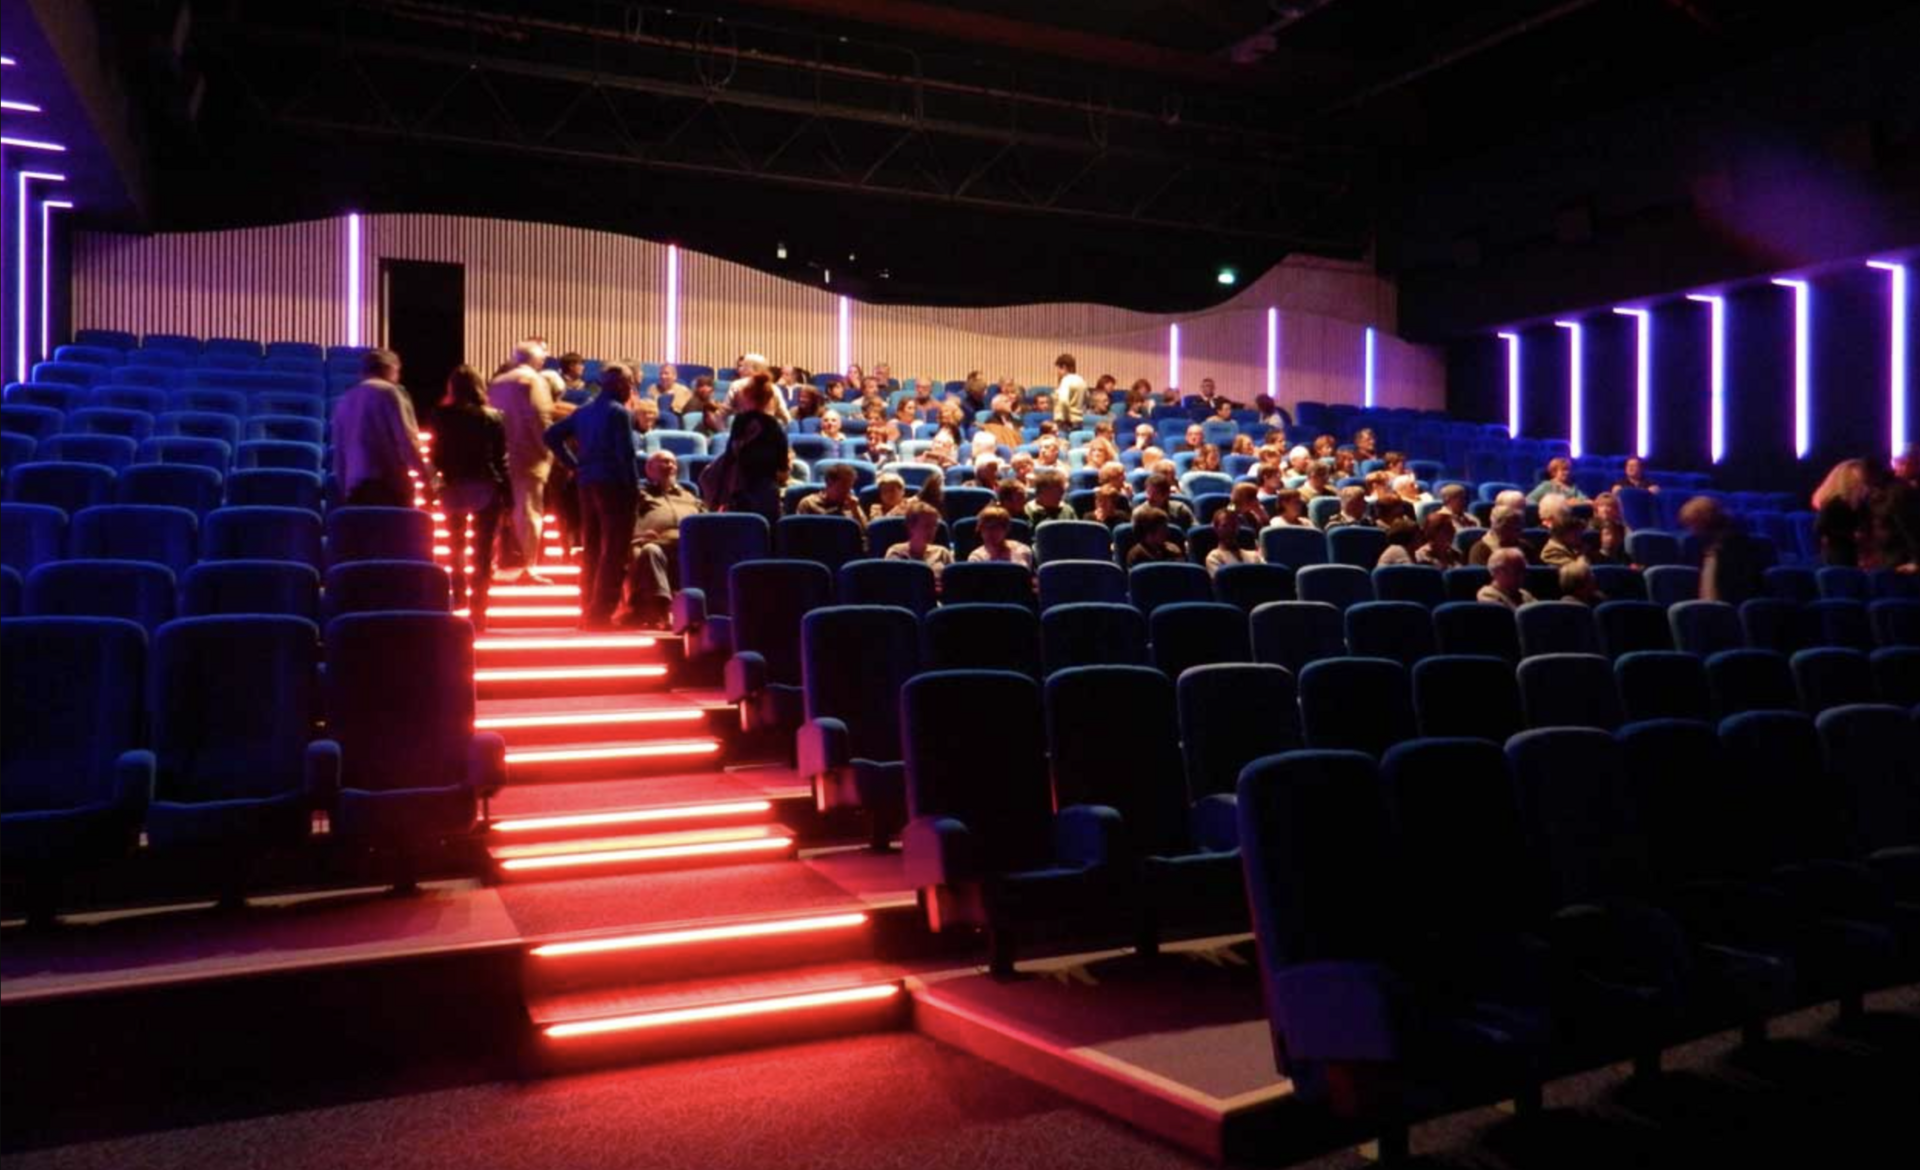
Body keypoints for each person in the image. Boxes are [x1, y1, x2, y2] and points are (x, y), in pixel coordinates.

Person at [544, 363, 643, 628]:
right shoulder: (619, 412)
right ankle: (600, 615)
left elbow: (551, 435)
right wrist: (634, 489)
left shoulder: (583, 411)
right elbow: (626, 456)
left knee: (593, 550)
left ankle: (587, 611)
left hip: (587, 483)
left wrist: (574, 465)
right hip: (616, 486)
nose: (631, 389)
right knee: (614, 551)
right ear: (621, 384)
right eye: (630, 384)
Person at [431, 365, 507, 629]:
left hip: (453, 484)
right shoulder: (493, 416)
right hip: (485, 483)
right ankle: (479, 610)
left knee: (456, 545)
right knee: (483, 551)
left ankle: (459, 593)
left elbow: (437, 454)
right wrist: (508, 494)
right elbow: (500, 457)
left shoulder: (441, 415)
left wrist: (438, 481)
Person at [485, 339, 559, 583]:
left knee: (499, 514)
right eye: (542, 357)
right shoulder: (534, 381)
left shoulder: (497, 382)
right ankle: (529, 567)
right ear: (535, 359)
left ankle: (491, 565)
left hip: (499, 457)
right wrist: (548, 452)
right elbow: (540, 419)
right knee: (529, 513)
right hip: (529, 456)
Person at [331, 347, 426, 508]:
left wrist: (345, 489)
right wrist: (425, 477)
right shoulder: (391, 392)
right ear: (390, 369)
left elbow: (340, 452)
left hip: (355, 486)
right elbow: (407, 440)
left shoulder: (345, 400)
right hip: (389, 483)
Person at [624, 451, 704, 629]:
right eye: (664, 462)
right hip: (655, 544)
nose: (670, 466)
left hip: (689, 544)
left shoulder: (689, 495)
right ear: (649, 469)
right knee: (650, 551)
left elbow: (706, 518)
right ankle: (663, 611)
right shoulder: (639, 494)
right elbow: (624, 522)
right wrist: (638, 536)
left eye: (673, 462)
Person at [708, 372, 789, 530]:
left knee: (740, 532)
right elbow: (783, 469)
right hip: (767, 491)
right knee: (766, 532)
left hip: (741, 488)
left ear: (747, 397)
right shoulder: (775, 426)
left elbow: (730, 457)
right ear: (769, 399)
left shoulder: (740, 421)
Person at [1681, 495, 1765, 604]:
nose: (1691, 531)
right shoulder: (1710, 548)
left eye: (1692, 525)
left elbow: (1714, 597)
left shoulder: (1729, 548)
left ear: (1704, 523)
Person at [797, 462, 868, 541]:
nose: (847, 492)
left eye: (849, 487)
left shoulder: (852, 504)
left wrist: (855, 511)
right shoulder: (808, 503)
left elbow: (865, 533)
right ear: (829, 484)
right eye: (843, 487)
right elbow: (800, 534)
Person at [884, 499, 954, 581]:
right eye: (927, 526)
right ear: (911, 527)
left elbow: (954, 581)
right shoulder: (896, 552)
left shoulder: (942, 552)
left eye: (934, 526)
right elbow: (893, 583)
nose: (932, 531)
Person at [968, 505, 1035, 568]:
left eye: (995, 527)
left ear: (1005, 529)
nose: (989, 532)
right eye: (985, 527)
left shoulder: (1021, 550)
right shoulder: (976, 558)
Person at [1470, 504, 1537, 566]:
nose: (1519, 532)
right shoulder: (1480, 550)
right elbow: (1482, 574)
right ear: (1498, 528)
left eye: (1519, 528)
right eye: (1514, 528)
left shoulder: (1525, 547)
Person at [1204, 507, 1263, 575]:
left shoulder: (1254, 555)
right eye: (1225, 526)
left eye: (1234, 525)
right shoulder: (1214, 557)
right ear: (1216, 528)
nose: (1230, 530)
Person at [1052, 353, 1088, 429]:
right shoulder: (1082, 380)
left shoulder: (1065, 380)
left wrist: (1067, 418)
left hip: (1065, 423)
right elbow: (1087, 400)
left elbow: (1063, 401)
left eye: (1058, 369)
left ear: (1064, 367)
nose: (1057, 372)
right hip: (1079, 421)